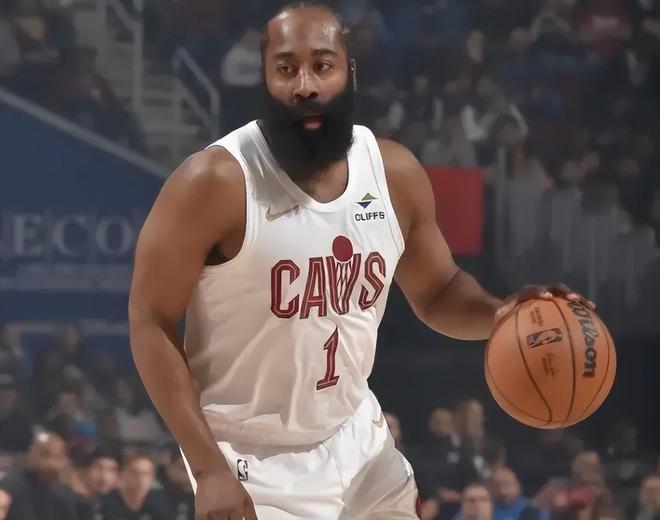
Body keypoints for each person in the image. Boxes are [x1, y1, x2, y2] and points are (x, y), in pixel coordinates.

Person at [128, 3, 593, 518]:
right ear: (265, 76)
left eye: (321, 65)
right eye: (286, 68)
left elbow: (438, 291)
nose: (305, 84)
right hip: (250, 456)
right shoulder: (213, 182)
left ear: (349, 72)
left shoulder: (393, 172)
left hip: (357, 441)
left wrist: (503, 313)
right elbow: (150, 320)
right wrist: (208, 468)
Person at [2, 431, 79, 520]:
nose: (61, 465)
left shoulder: (62, 495)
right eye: (56, 457)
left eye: (62, 457)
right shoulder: (11, 487)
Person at [98, 454, 171, 520]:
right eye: (135, 473)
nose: (140, 479)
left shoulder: (162, 503)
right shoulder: (104, 502)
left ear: (153, 478)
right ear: (123, 473)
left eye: (146, 474)